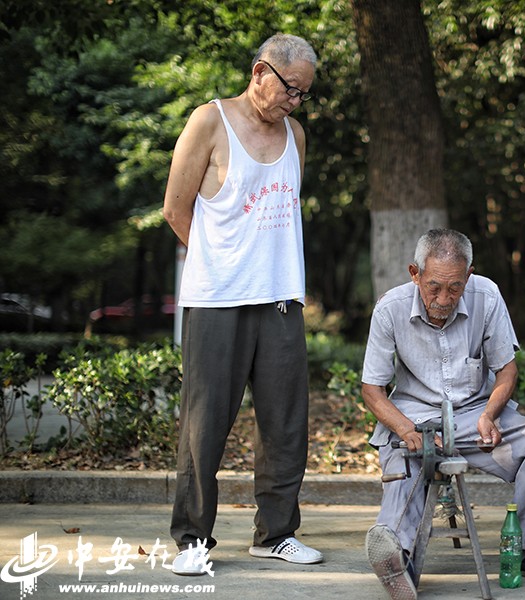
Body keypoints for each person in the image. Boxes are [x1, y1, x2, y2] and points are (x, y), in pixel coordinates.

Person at [161, 33, 322, 575]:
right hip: (218, 301)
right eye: (289, 89)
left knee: (285, 424)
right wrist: (222, 263)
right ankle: (192, 541)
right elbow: (174, 209)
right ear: (260, 72)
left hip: (279, 299)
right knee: (204, 426)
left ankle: (276, 533)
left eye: (302, 94)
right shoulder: (209, 122)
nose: (293, 102)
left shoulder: (295, 135)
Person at [361, 229, 525, 599]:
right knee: (405, 456)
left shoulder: (486, 295)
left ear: (469, 275)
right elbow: (372, 390)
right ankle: (398, 555)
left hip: (475, 414)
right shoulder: (390, 308)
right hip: (415, 416)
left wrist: (491, 413)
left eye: (454, 288)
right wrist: (406, 429)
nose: (443, 298)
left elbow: (506, 371)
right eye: (434, 287)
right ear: (415, 273)